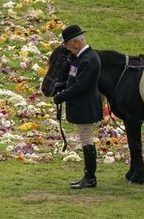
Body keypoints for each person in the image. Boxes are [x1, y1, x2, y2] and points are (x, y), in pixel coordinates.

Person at [53, 24, 103, 189]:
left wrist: (60, 97)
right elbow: (73, 79)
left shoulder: (88, 60)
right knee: (85, 138)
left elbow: (80, 86)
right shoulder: (82, 58)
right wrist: (62, 85)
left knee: (87, 139)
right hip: (82, 104)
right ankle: (88, 176)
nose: (68, 49)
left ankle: (90, 178)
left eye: (68, 45)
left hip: (85, 105)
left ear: (75, 43)